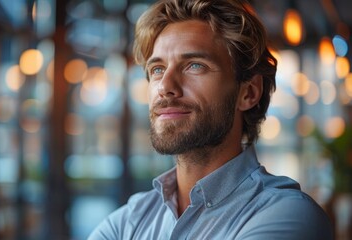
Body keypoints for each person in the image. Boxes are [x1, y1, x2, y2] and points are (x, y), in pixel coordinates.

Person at [89, 0, 333, 239]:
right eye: (157, 69)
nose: (165, 86)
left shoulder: (289, 214)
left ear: (248, 93)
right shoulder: (128, 219)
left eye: (194, 65)